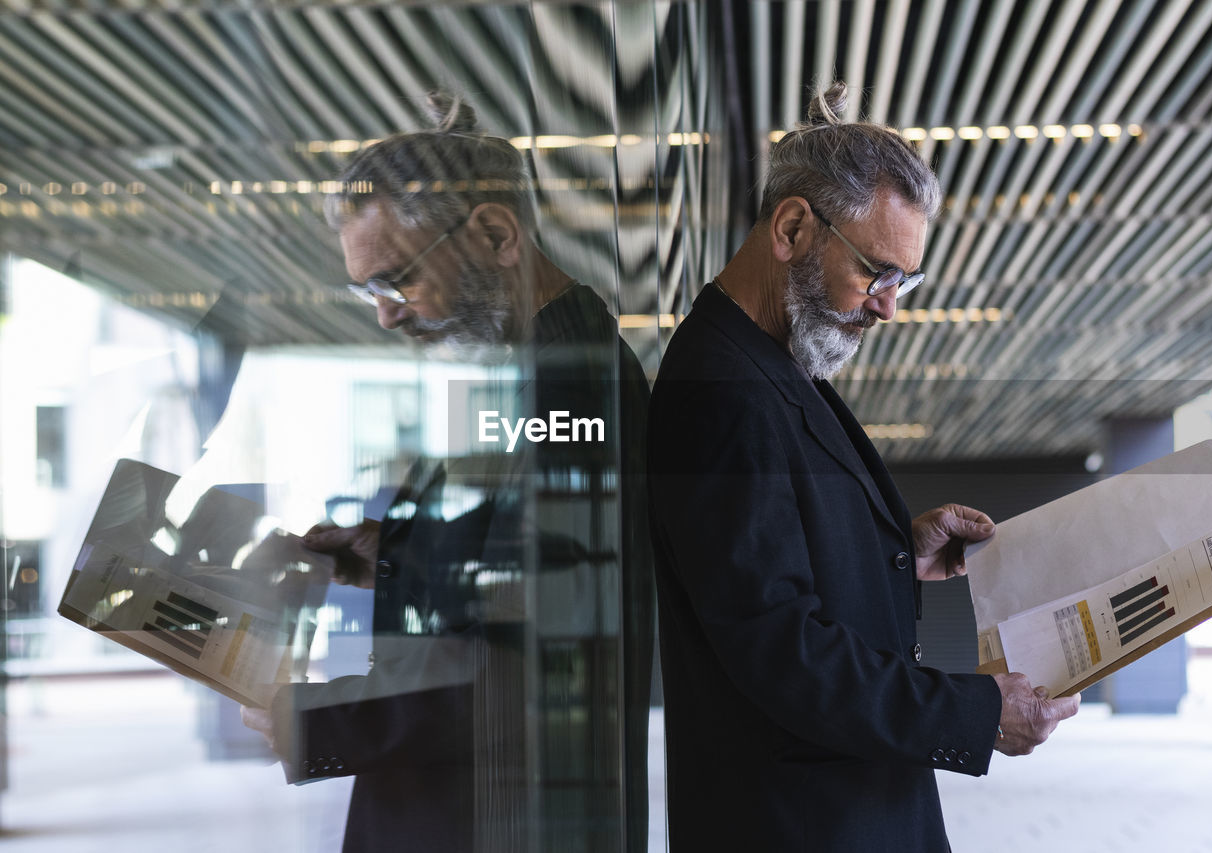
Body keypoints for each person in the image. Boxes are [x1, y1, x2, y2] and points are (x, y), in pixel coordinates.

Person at [646, 82, 1080, 852]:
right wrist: (973, 715)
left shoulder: (772, 366)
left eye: (904, 282)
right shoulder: (719, 386)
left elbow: (776, 570)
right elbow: (778, 646)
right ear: (791, 228)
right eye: (878, 272)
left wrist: (896, 556)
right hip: (798, 823)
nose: (888, 307)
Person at [241, 93, 653, 853]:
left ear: (496, 234)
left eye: (395, 281)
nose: (386, 315)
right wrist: (394, 554)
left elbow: (533, 652)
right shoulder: (527, 367)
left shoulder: (567, 383)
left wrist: (318, 720)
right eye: (368, 291)